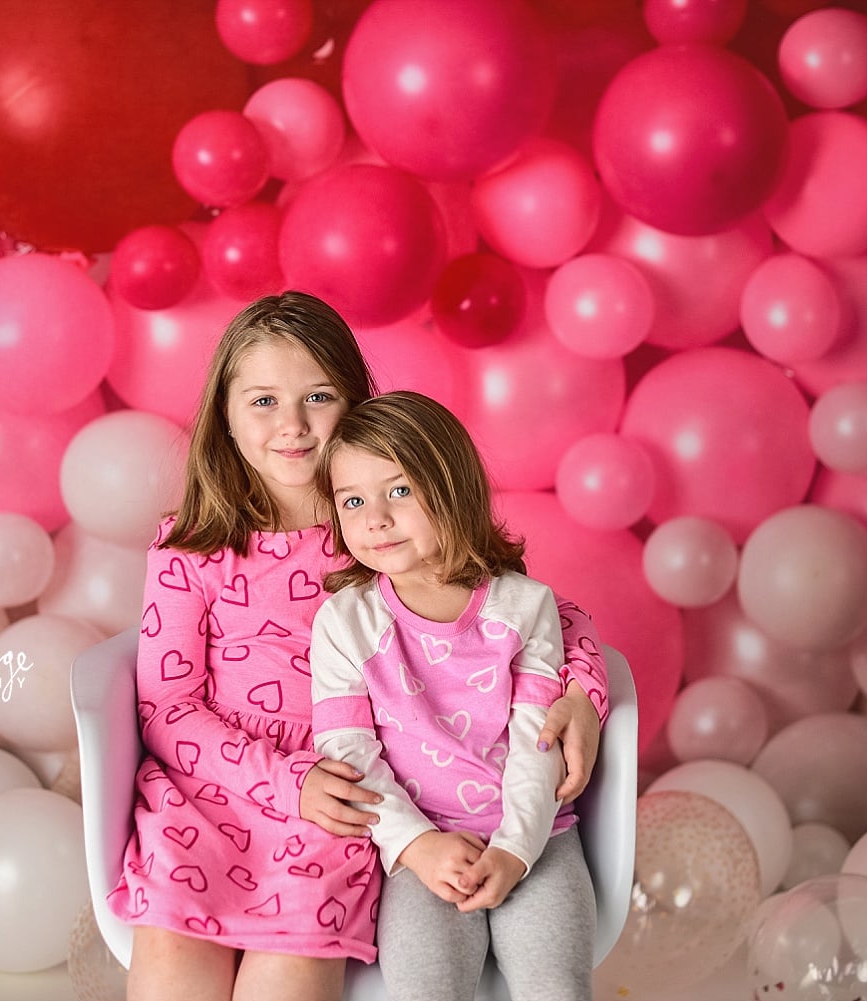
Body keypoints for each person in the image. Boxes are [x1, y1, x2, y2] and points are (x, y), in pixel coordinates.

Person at [111, 292, 608, 1001]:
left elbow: (533, 609)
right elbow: (166, 707)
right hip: (210, 794)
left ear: (356, 403)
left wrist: (584, 691)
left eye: (318, 395)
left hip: (347, 791)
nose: (292, 425)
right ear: (224, 411)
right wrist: (282, 782)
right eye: (263, 401)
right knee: (172, 972)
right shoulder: (192, 547)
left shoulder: (380, 522)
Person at [310, 391, 598, 1001]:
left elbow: (537, 742)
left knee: (557, 988)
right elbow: (349, 754)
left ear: (453, 491)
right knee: (425, 990)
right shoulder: (345, 622)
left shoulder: (524, 606)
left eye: (400, 491)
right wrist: (417, 846)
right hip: (421, 847)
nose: (376, 518)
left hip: (537, 838)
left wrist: (517, 850)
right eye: (353, 501)